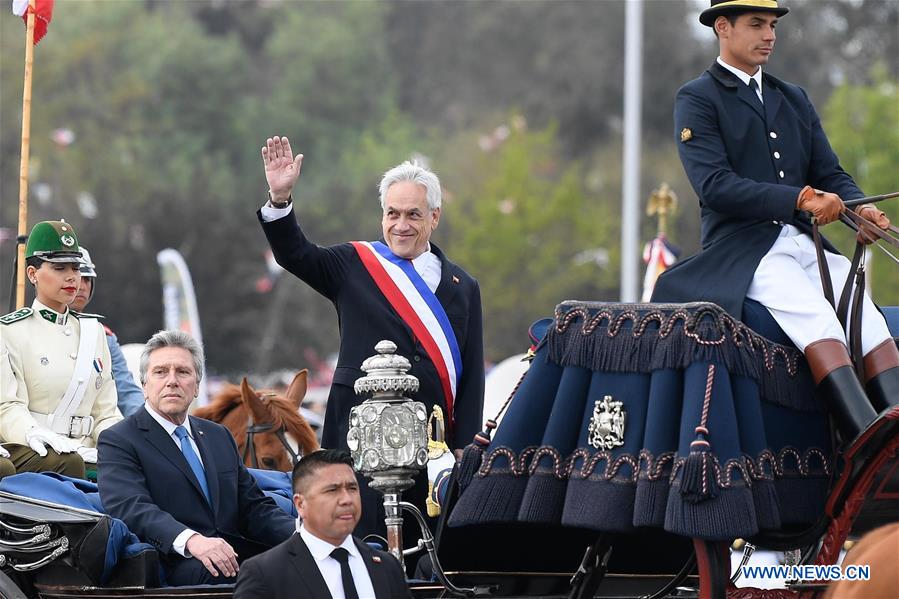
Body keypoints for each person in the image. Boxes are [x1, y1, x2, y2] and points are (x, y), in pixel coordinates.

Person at [652, 0, 898, 443]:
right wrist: (800, 198)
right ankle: (866, 443)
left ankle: (895, 436)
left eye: (772, 26)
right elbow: (715, 185)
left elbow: (830, 173)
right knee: (817, 321)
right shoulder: (698, 98)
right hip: (744, 248)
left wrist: (860, 209)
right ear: (722, 28)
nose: (770, 35)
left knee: (868, 320)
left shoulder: (793, 97)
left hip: (807, 241)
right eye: (757, 25)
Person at [257, 136, 485, 539]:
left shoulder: (462, 285)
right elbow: (296, 255)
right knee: (361, 545)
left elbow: (470, 375)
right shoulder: (354, 264)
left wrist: (464, 446)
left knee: (426, 550)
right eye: (392, 213)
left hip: (431, 450)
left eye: (413, 215)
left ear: (434, 217)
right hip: (360, 445)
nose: (401, 225)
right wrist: (280, 199)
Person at [97, 330, 296, 586]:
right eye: (160, 372)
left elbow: (253, 507)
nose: (172, 381)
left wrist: (306, 533)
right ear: (144, 385)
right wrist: (192, 540)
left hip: (233, 555)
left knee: (305, 565)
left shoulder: (217, 435)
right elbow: (132, 508)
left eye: (182, 372)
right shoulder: (120, 439)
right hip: (172, 561)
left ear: (197, 385)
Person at [1, 220, 121, 479]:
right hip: (38, 451)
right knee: (69, 464)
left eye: (76, 268)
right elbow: (7, 406)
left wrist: (116, 446)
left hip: (90, 452)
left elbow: (106, 411)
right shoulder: (10, 331)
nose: (72, 277)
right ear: (32, 274)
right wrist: (32, 432)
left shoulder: (93, 332)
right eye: (59, 268)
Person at [234, 449, 411, 599]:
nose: (346, 500)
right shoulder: (265, 574)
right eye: (332, 490)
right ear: (300, 504)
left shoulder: (386, 566)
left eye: (352, 488)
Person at [70, 246, 144, 417]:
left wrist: (146, 426)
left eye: (87, 279)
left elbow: (126, 390)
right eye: (78, 277)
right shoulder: (23, 329)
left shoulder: (103, 336)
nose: (82, 286)